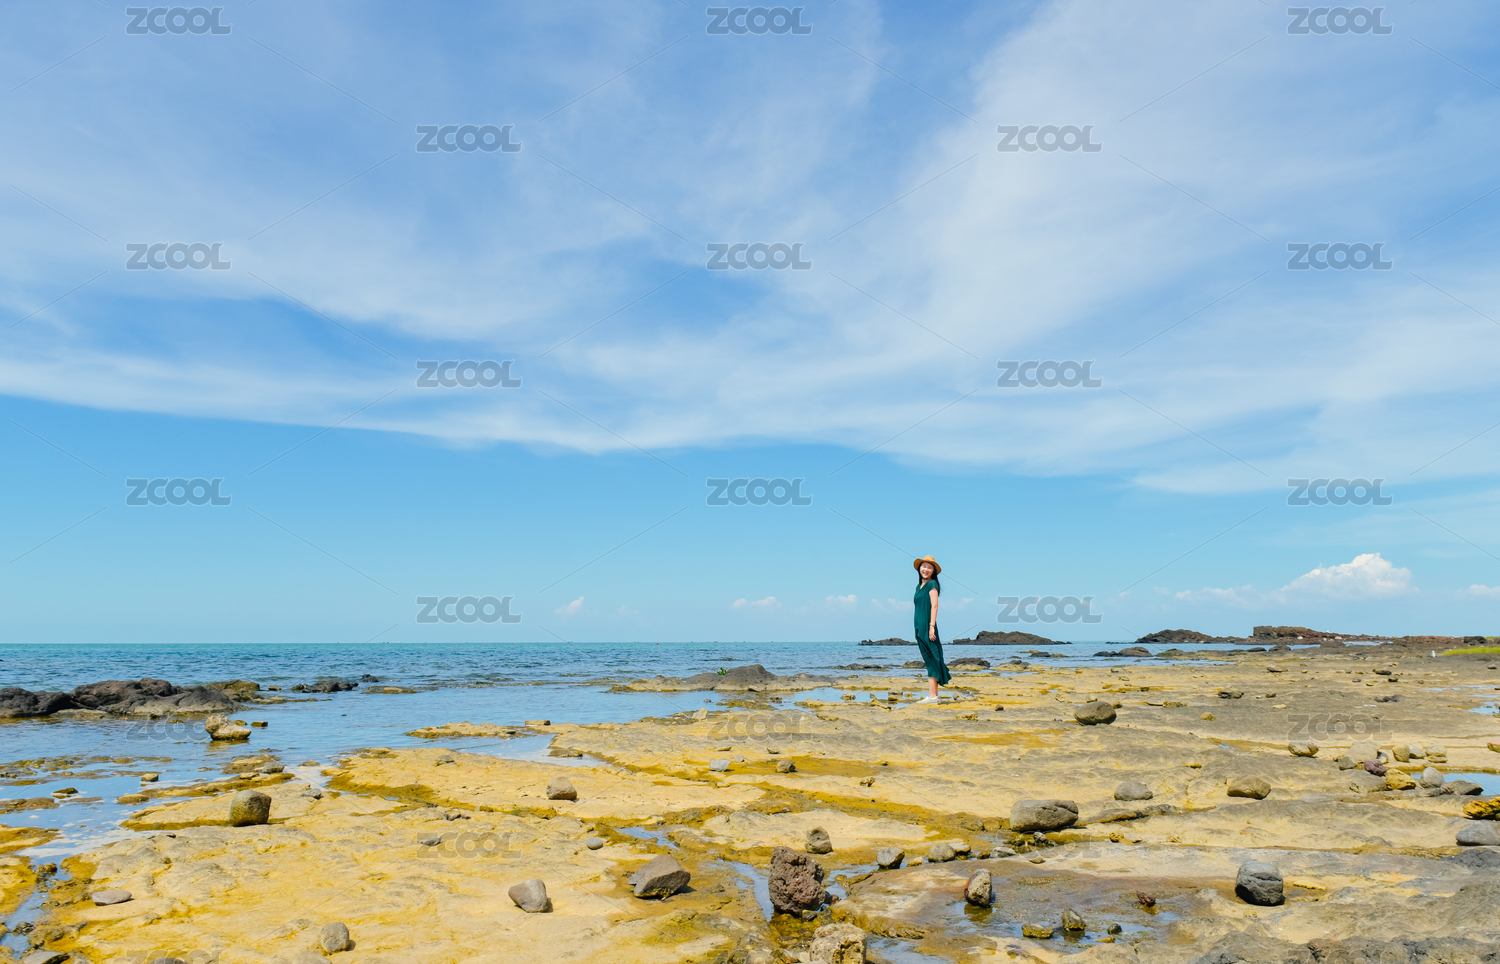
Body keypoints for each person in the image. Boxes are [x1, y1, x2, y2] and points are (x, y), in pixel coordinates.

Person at [912, 555, 950, 703]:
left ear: (933, 571)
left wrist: (931, 627)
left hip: (928, 628)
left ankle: (933, 696)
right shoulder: (918, 587)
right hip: (919, 628)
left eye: (929, 567)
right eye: (924, 566)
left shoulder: (932, 584)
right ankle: (933, 696)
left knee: (933, 659)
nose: (926, 569)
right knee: (929, 660)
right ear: (919, 568)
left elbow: (934, 606)